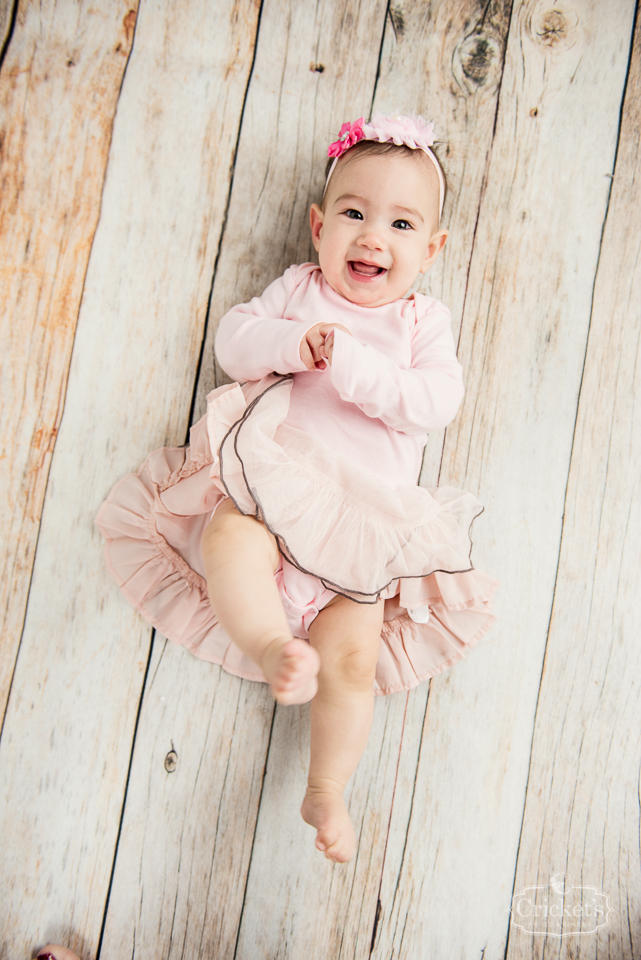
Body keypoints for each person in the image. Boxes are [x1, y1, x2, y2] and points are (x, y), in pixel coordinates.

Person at [96, 113, 498, 863]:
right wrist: (291, 344)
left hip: (362, 530)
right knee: (228, 539)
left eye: (401, 223)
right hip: (273, 491)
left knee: (353, 660)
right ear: (318, 227)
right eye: (352, 213)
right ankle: (272, 643)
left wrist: (352, 366)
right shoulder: (299, 290)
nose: (372, 236)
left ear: (431, 249)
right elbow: (233, 340)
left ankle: (327, 789)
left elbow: (435, 401)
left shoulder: (421, 322)